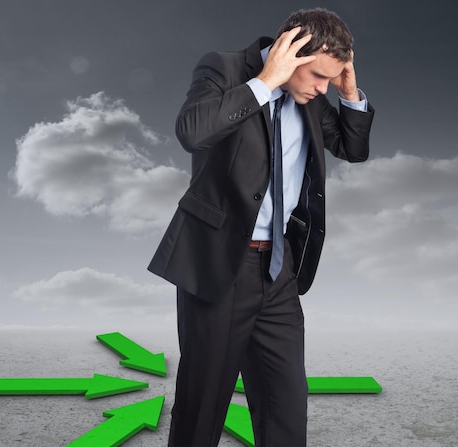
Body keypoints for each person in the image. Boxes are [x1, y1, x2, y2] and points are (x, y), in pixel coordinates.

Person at [148, 8, 374, 447]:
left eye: (329, 79)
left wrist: (349, 92)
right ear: (289, 51)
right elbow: (192, 132)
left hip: (279, 268)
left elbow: (352, 147)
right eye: (316, 76)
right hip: (219, 263)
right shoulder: (223, 67)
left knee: (286, 406)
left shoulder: (312, 98)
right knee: (202, 406)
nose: (320, 87)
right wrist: (266, 82)